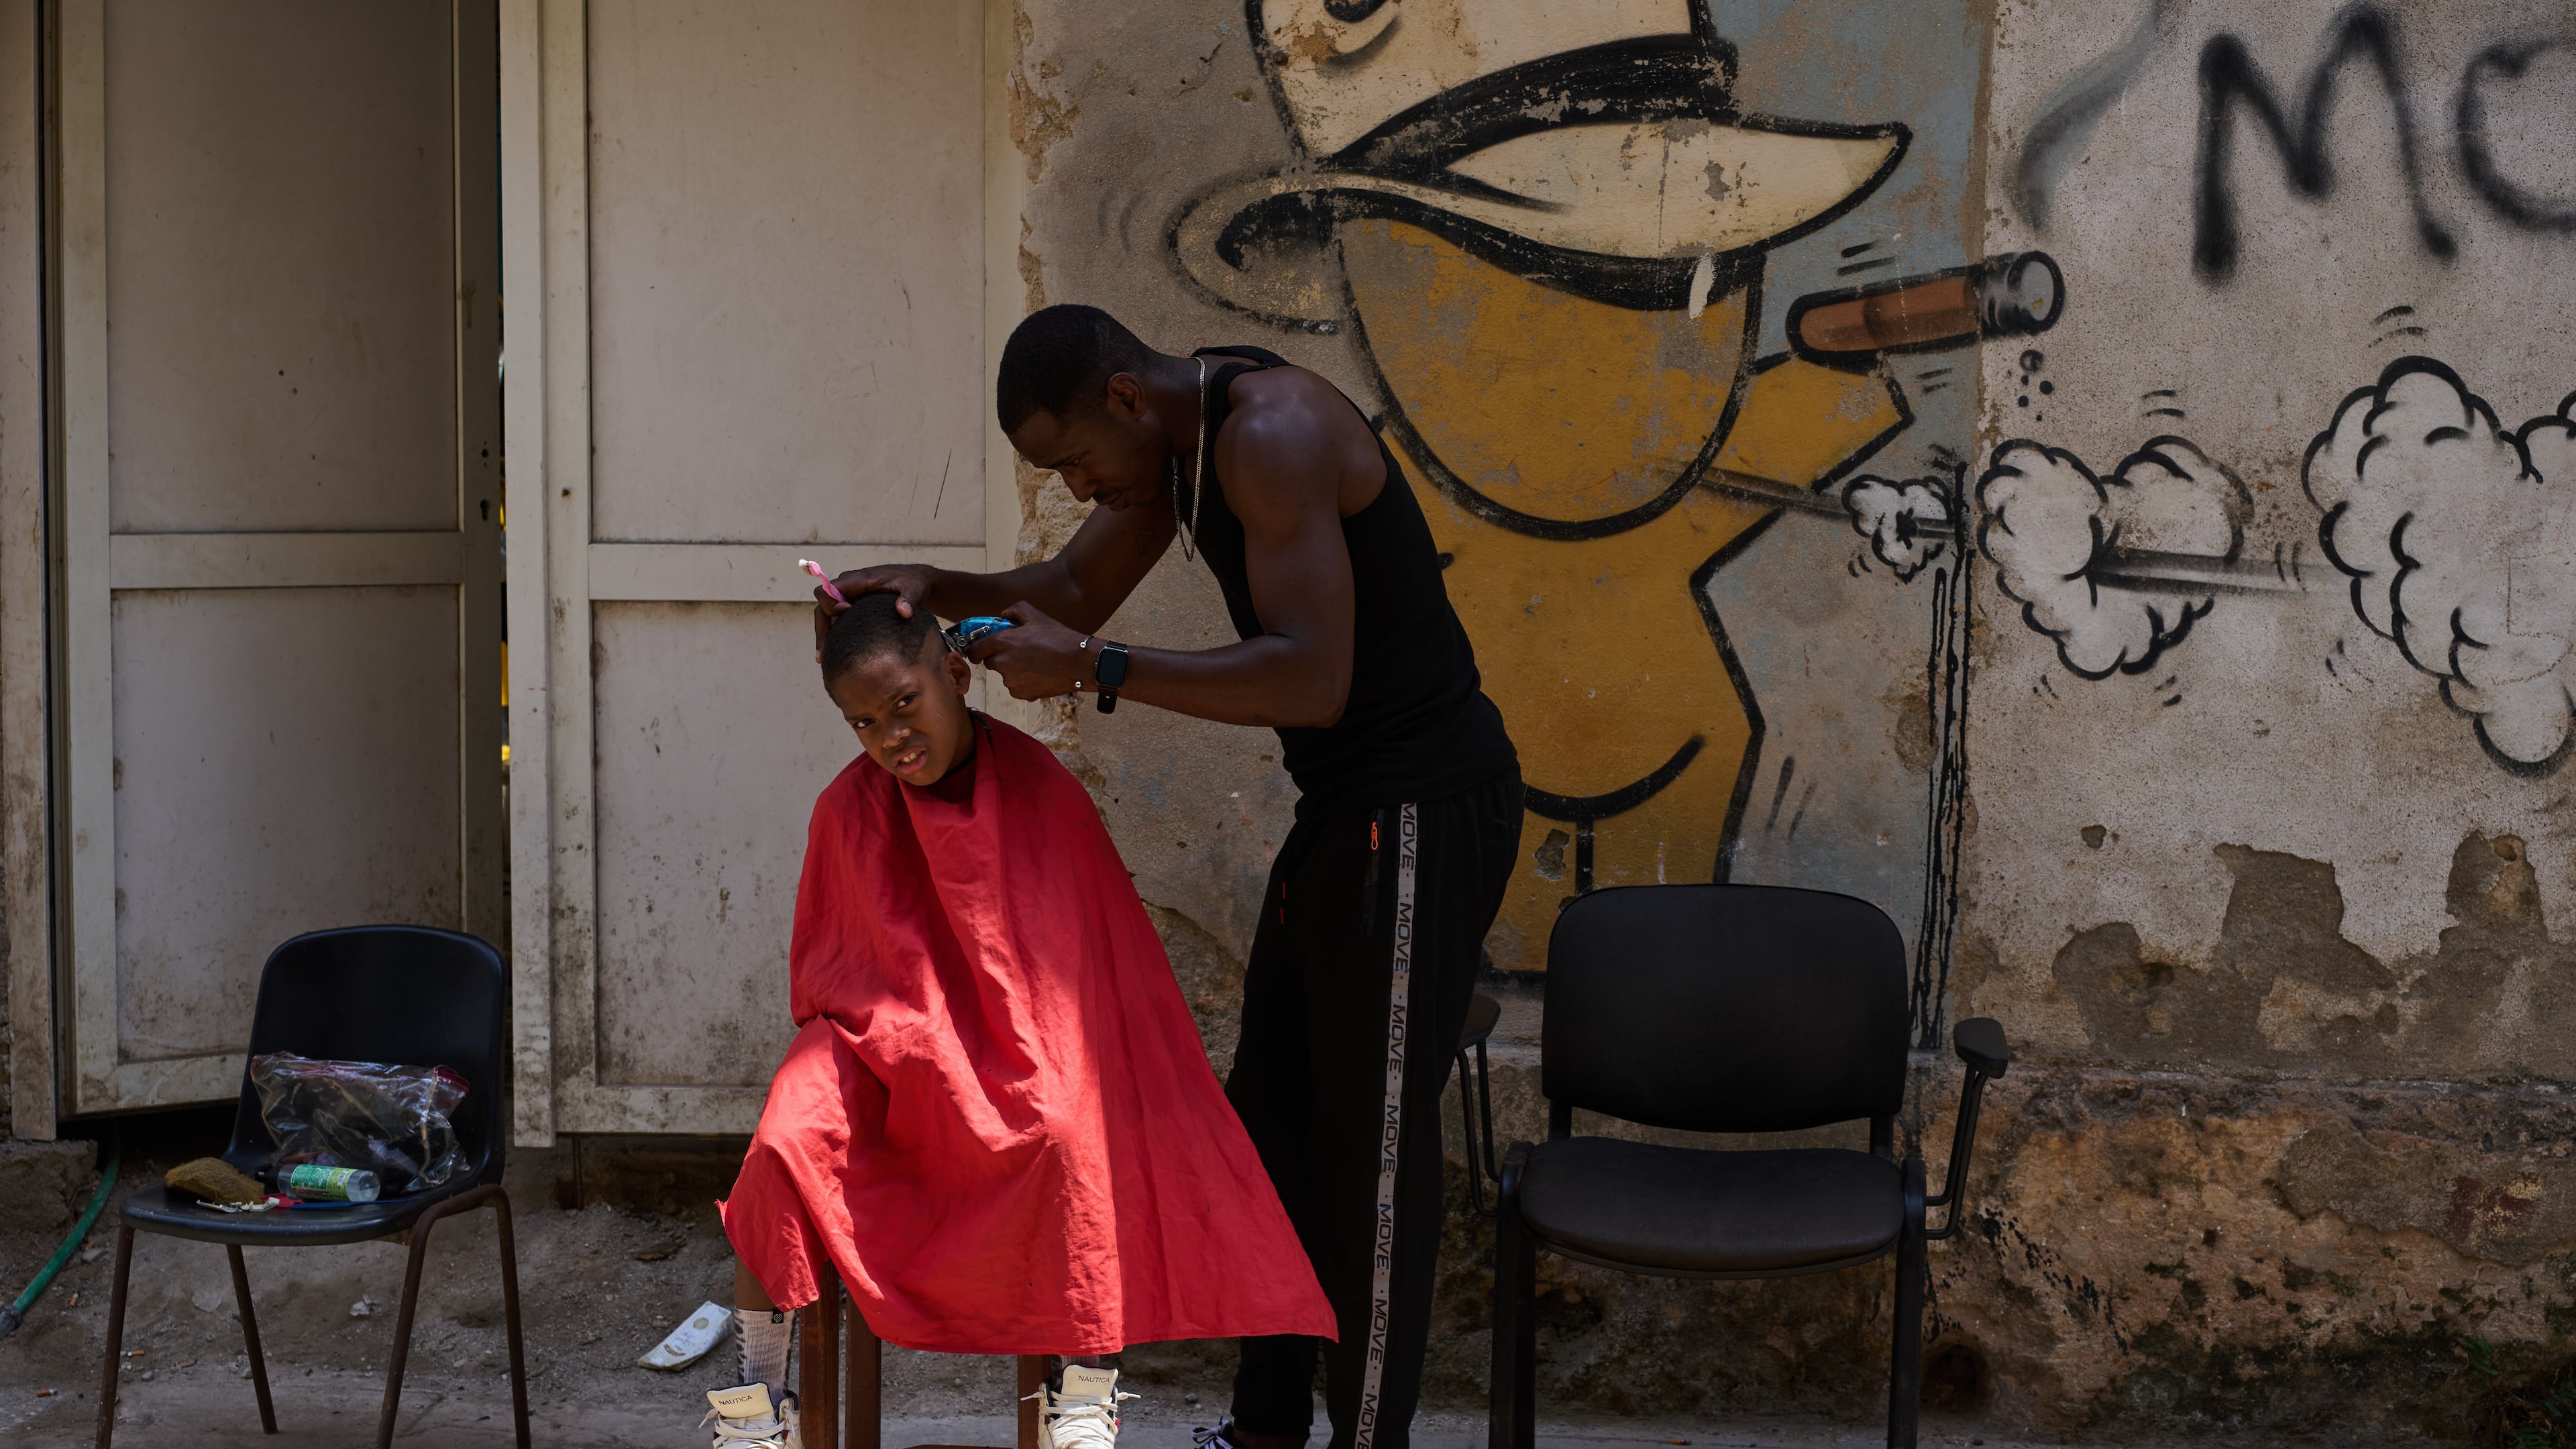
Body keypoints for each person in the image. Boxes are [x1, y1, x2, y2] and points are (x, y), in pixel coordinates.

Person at [816, 305, 1521, 1449]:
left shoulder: (1273, 433)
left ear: (1130, 401)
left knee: (1369, 1152)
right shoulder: (1172, 455)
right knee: (1273, 1125)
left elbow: (1315, 683)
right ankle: (1267, 1430)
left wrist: (1096, 673)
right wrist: (933, 585)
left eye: (1076, 460)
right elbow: (1073, 592)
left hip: (1423, 810)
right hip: (1349, 812)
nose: (1082, 487)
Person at [703, 594, 1335, 1449]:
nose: (893, 737)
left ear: (956, 677)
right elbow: (833, 983)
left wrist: (972, 1060)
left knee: (1074, 1130)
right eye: (864, 724)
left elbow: (1076, 983)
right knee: (781, 1141)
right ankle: (755, 1402)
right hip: (884, 1048)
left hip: (1026, 1039)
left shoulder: (1044, 792)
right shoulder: (846, 809)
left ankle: (1084, 1388)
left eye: (904, 705)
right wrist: (917, 1049)